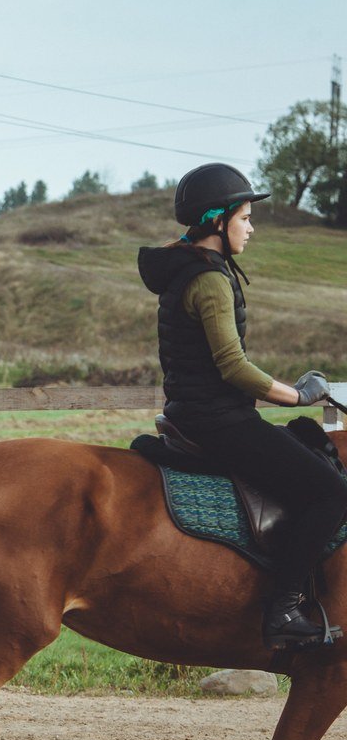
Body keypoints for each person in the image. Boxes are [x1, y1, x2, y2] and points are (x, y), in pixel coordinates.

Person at [138, 163, 347, 649]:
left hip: (197, 412)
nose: (251, 228)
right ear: (217, 221)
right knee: (330, 492)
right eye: (246, 217)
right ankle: (285, 607)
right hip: (219, 421)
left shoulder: (186, 267)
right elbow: (233, 367)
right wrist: (301, 396)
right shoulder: (209, 280)